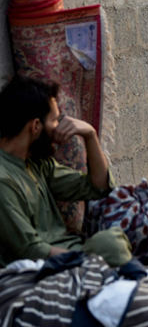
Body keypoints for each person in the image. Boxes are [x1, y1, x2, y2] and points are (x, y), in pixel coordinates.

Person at [0, 75, 132, 268]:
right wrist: (90, 260)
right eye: (54, 120)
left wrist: (90, 135)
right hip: (45, 264)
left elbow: (98, 186)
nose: (58, 127)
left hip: (72, 251)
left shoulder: (37, 163)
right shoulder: (4, 179)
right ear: (36, 126)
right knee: (111, 244)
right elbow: (30, 250)